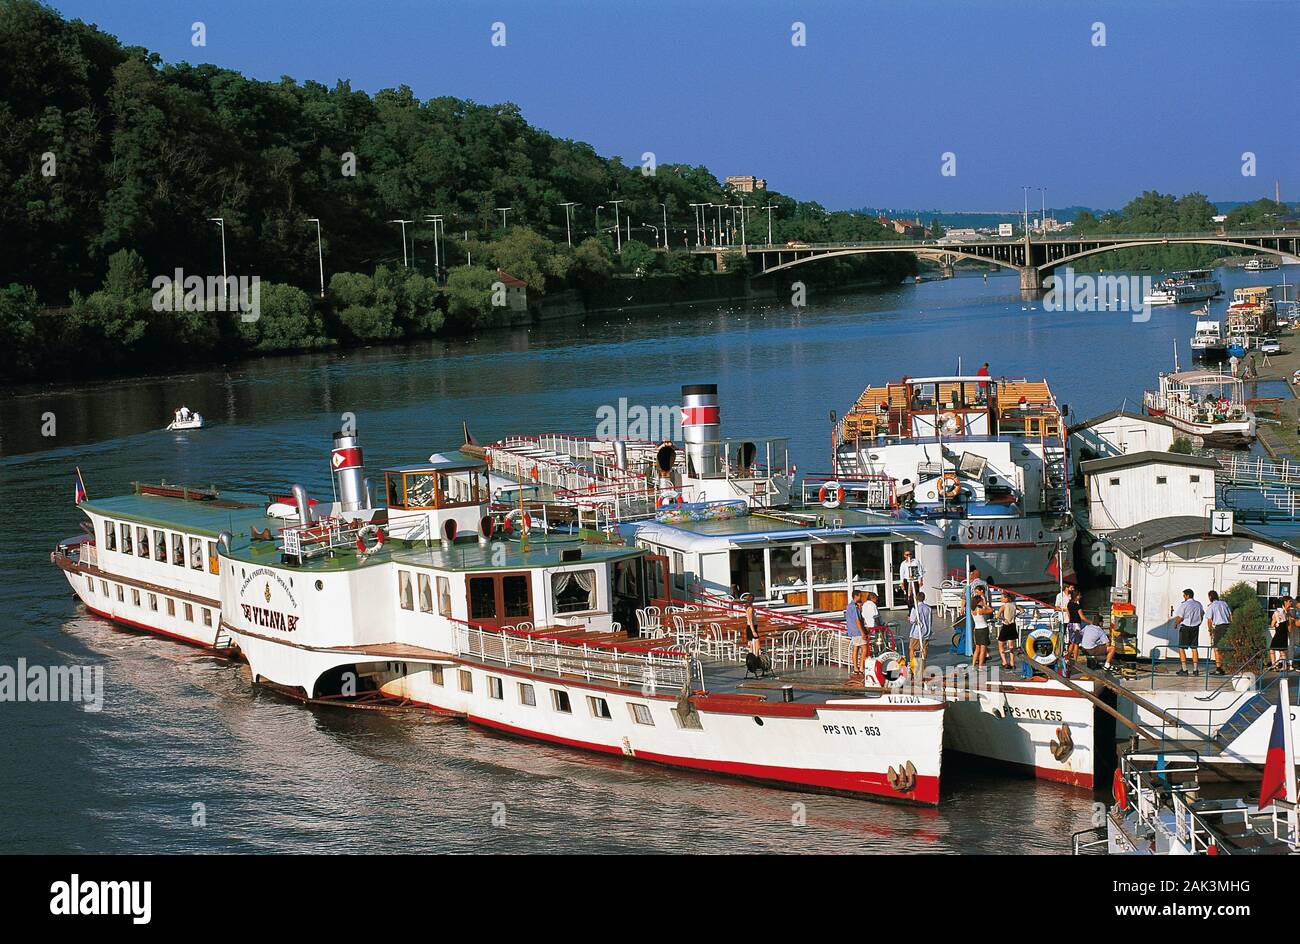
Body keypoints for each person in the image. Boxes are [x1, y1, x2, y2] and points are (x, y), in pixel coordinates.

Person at [1172, 588, 1204, 676]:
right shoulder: (1198, 604)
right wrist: (1199, 622)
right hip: (1195, 628)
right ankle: (1195, 669)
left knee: (1181, 648)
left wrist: (1175, 624)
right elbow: (1202, 614)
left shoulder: (1184, 605)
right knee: (1194, 648)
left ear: (1187, 595)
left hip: (1185, 628)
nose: (1183, 597)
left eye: (1184, 596)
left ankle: (1184, 669)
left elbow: (1180, 617)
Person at [1206, 590, 1232, 676]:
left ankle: (1218, 668)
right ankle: (1227, 666)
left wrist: (1210, 631)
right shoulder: (1224, 603)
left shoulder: (1212, 606)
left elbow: (1209, 620)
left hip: (1219, 627)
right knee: (1226, 647)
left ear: (1210, 597)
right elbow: (1230, 616)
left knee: (1216, 648)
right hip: (1227, 626)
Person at [845, 590, 867, 679]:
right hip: (857, 631)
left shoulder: (849, 606)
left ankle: (855, 668)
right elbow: (857, 621)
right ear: (856, 596)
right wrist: (863, 632)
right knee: (864, 648)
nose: (861, 598)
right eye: (860, 596)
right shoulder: (854, 607)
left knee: (855, 649)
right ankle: (861, 667)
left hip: (852, 631)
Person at [909, 590, 933, 665]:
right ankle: (923, 662)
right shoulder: (929, 608)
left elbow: (912, 621)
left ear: (916, 598)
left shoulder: (915, 608)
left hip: (917, 631)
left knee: (912, 648)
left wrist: (910, 618)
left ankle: (912, 664)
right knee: (924, 647)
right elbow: (930, 620)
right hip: (926, 631)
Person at [996, 593, 1019, 670]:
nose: (1001, 599)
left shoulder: (1003, 606)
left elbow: (997, 616)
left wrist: (1004, 619)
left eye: (1002, 598)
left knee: (1001, 644)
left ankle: (1005, 662)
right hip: (1013, 625)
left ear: (1006, 599)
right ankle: (1012, 662)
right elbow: (1022, 610)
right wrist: (1015, 616)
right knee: (1011, 646)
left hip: (1006, 626)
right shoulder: (1014, 605)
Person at [1065, 586, 1088, 664]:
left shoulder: (1068, 604)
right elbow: (1082, 617)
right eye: (1079, 595)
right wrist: (1091, 622)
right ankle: (1075, 659)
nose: (1080, 597)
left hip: (1070, 624)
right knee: (1077, 643)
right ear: (1076, 596)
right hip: (1077, 625)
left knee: (1071, 642)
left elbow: (1069, 615)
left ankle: (1067, 657)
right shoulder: (1078, 606)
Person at [970, 593, 993, 667]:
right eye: (982, 600)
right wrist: (985, 605)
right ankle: (980, 666)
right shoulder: (980, 610)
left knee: (977, 649)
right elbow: (991, 610)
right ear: (978, 602)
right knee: (983, 650)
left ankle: (973, 665)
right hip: (983, 629)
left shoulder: (972, 610)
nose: (983, 601)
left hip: (977, 630)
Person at [1270, 596, 1292, 670]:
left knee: (1272, 649)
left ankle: (1274, 665)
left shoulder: (1276, 613)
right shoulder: (1286, 612)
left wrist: (1274, 621)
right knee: (1282, 651)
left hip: (1278, 633)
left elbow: (1272, 624)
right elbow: (1287, 624)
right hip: (1284, 633)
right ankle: (1284, 666)